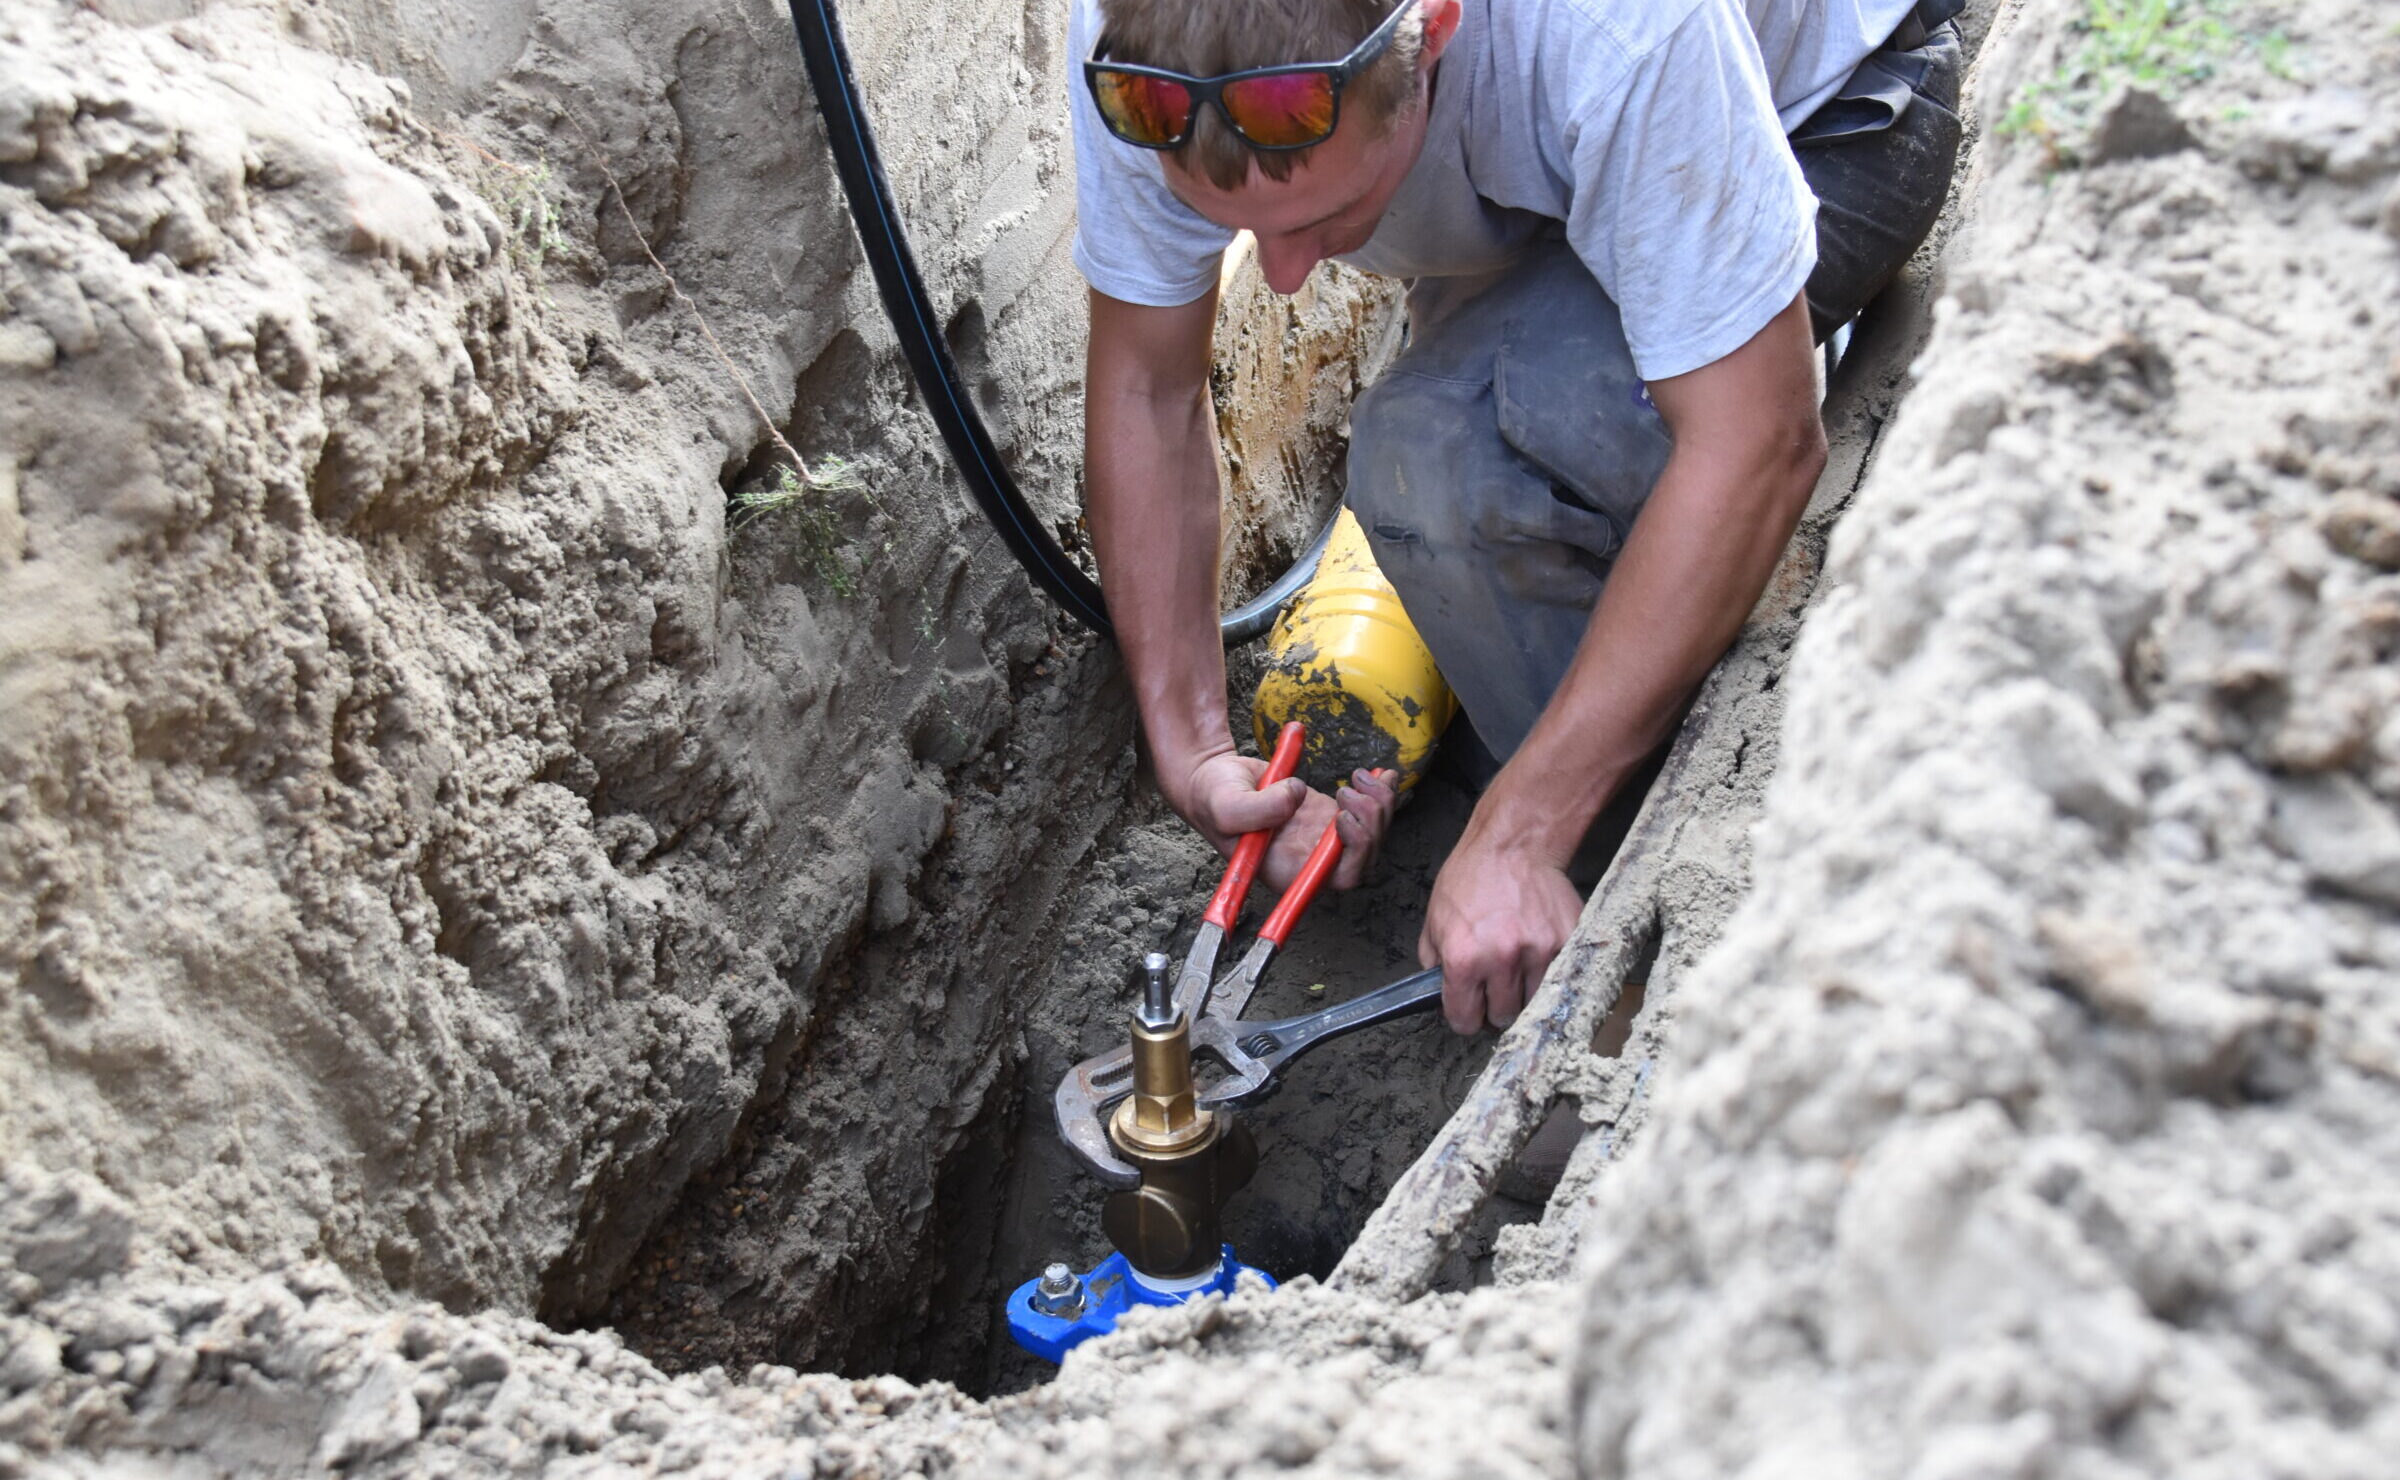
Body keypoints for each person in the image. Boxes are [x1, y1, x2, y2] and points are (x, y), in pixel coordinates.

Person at [1073, 0, 1965, 1035]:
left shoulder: (1619, 28)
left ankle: (1634, 965)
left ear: (1436, 32)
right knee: (1466, 459)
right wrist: (1193, 754)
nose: (1279, 274)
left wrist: (1522, 833)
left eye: (1320, 219)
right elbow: (1145, 387)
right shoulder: (1147, 43)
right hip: (1542, 193)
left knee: (1446, 459)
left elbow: (1759, 442)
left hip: (1827, 118)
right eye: (1241, 230)